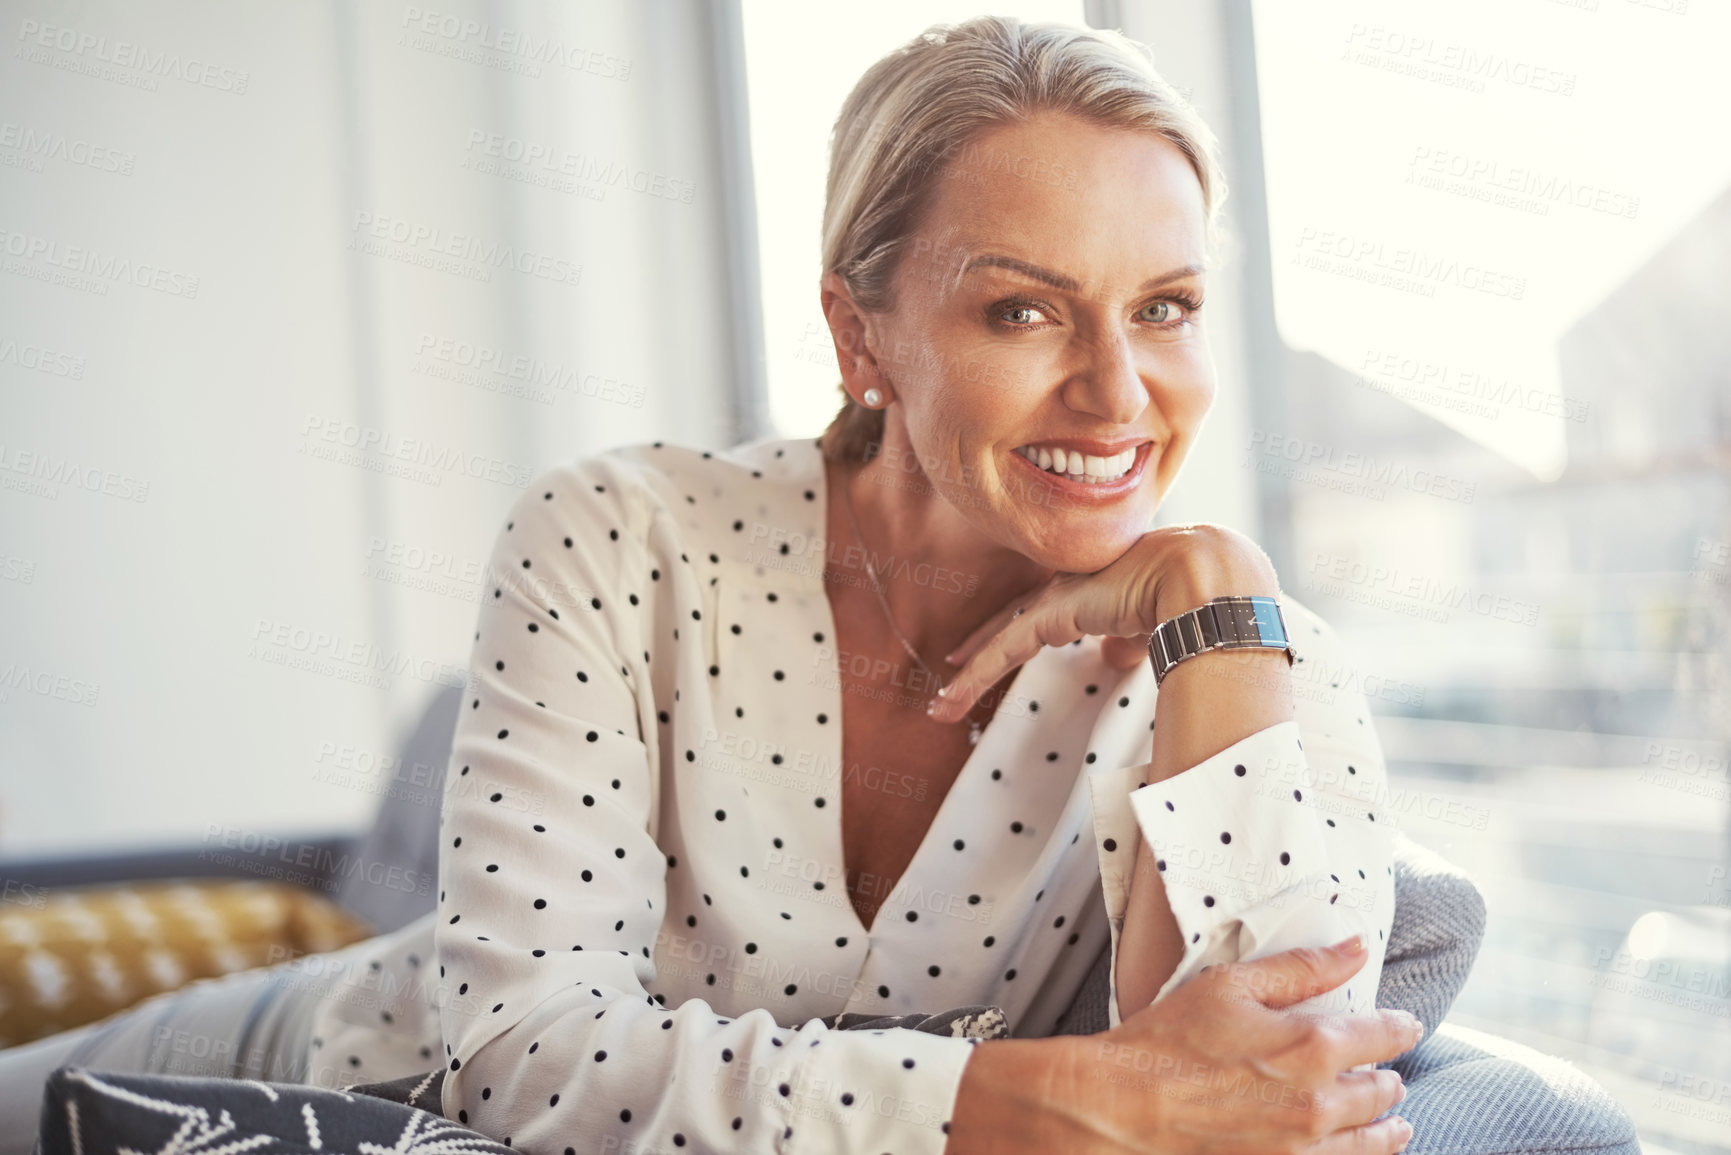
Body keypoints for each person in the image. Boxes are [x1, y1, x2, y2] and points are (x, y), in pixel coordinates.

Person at [0, 16, 1426, 1155]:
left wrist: (1224, 599)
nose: (1118, 392)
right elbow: (517, 1056)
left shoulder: (1237, 657)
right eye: (1022, 308)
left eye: (1164, 308)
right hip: (333, 1080)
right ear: (859, 331)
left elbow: (1275, 1098)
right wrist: (1025, 1112)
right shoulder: (619, 540)